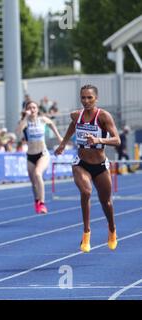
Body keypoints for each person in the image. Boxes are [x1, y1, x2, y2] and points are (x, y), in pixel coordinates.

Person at [55, 84, 120, 253]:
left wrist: (99, 140)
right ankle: (86, 232)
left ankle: (112, 229)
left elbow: (117, 140)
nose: (86, 101)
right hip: (81, 163)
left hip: (99, 165)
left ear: (96, 98)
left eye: (89, 97)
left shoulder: (103, 117)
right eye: (83, 97)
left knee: (106, 202)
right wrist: (63, 144)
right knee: (86, 192)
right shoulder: (77, 115)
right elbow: (72, 126)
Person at [17, 100, 63, 214]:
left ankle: (42, 203)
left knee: (38, 174)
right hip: (30, 155)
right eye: (30, 108)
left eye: (34, 107)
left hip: (43, 154)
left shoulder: (42, 120)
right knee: (33, 183)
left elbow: (51, 124)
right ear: (26, 110)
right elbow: (18, 133)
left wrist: (59, 137)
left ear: (37, 109)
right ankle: (37, 201)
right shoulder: (25, 122)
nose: (32, 110)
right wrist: (24, 117)